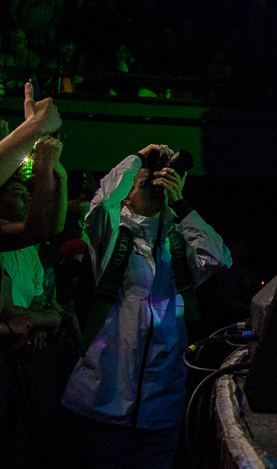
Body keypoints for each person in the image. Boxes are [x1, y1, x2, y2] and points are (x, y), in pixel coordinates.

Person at [61, 144, 231, 469]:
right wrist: (137, 158)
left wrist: (180, 203)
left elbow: (218, 258)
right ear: (126, 196)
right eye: (144, 182)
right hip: (105, 403)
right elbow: (102, 205)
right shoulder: (111, 235)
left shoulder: (176, 242)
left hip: (161, 408)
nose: (154, 184)